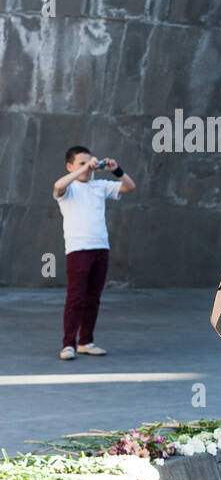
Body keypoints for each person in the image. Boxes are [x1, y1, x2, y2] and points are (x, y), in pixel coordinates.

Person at [52, 146, 136, 359]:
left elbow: (129, 187)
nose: (88, 167)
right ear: (70, 166)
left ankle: (86, 341)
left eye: (89, 163)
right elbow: (58, 185)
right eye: (81, 163)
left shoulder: (99, 186)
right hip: (78, 249)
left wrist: (116, 170)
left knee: (93, 298)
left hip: (101, 248)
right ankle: (68, 344)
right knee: (75, 298)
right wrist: (82, 170)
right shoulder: (69, 189)